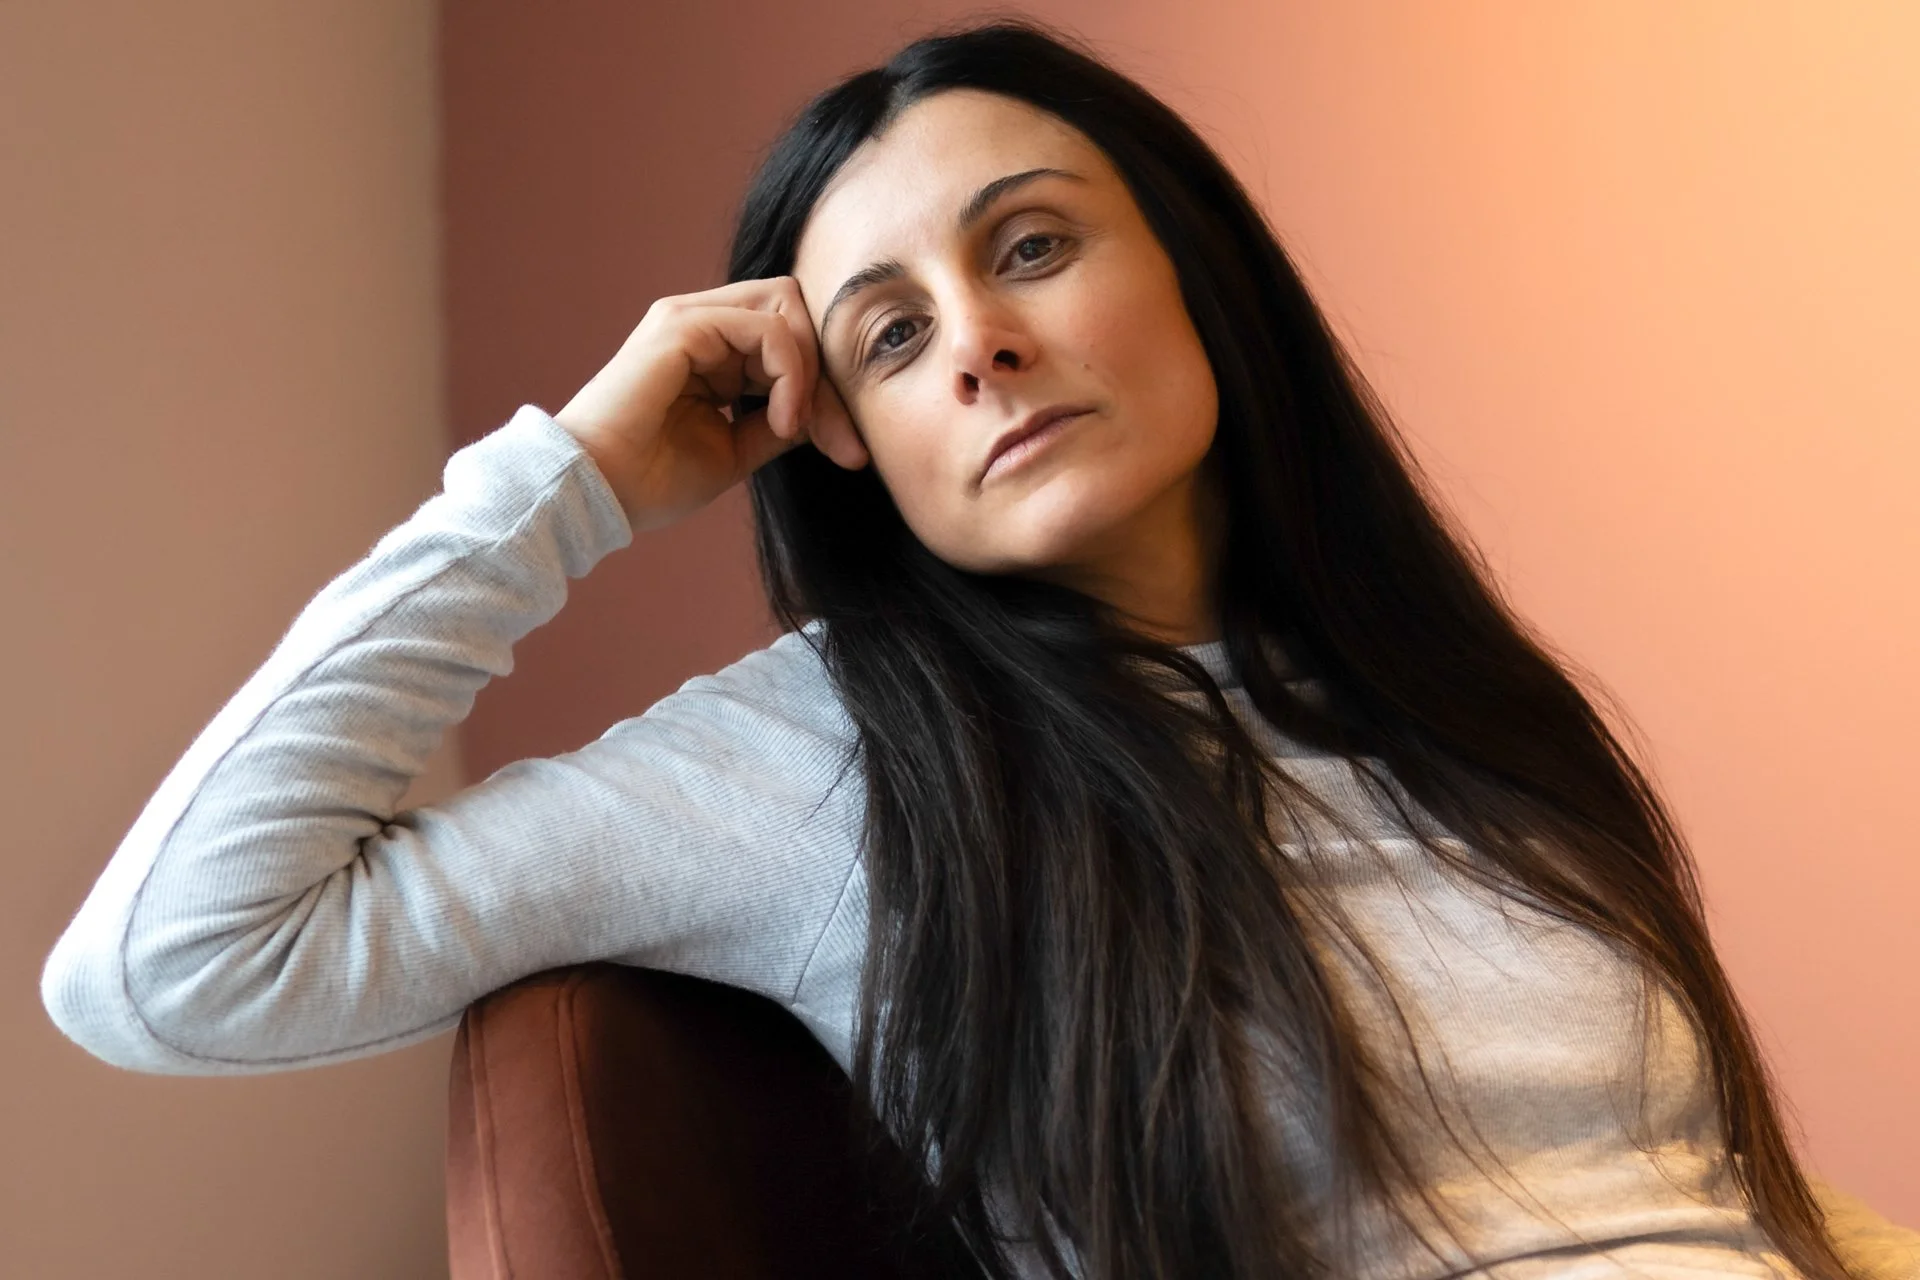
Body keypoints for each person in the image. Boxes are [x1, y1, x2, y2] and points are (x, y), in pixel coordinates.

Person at [39, 18, 1917, 1280]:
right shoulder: (813, 766)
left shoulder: (1436, 694)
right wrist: (572, 479)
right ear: (846, 440)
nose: (975, 343)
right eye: (884, 332)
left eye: (1028, 250)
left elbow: (1684, 1203)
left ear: (1197, 273)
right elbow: (164, 966)